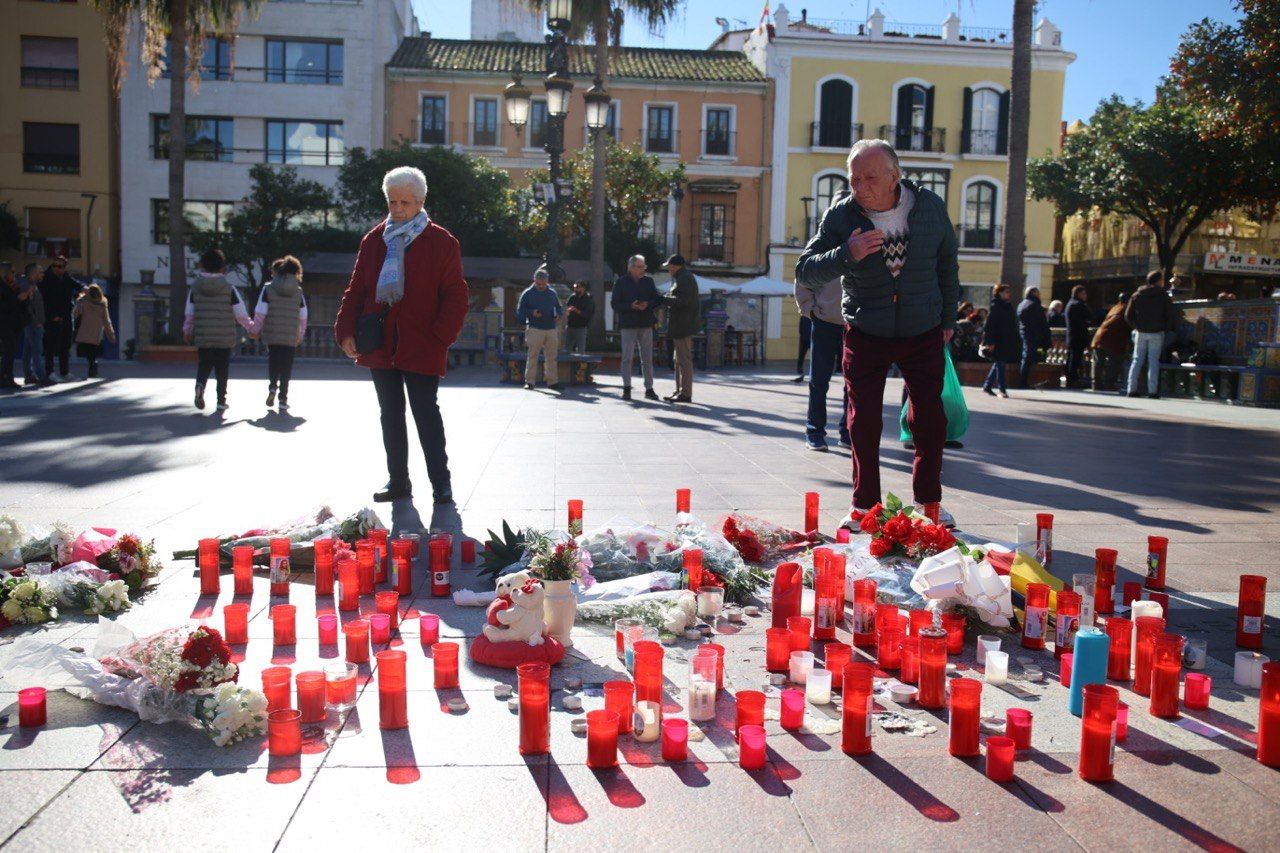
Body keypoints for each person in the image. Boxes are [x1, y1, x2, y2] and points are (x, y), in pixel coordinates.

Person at [796, 138, 960, 527]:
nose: (860, 187)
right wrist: (845, 254)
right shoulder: (841, 216)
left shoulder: (931, 209)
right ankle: (864, 506)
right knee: (862, 421)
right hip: (867, 329)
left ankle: (929, 504)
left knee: (930, 421)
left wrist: (948, 320)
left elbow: (947, 267)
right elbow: (805, 269)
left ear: (894, 176)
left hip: (923, 328)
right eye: (854, 179)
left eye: (870, 178)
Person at [335, 165, 469, 504]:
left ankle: (441, 483)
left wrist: (440, 336)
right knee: (389, 414)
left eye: (405, 203)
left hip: (423, 343)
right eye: (392, 202)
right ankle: (398, 481)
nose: (397, 210)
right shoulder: (373, 239)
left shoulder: (441, 241)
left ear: (421, 201)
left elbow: (456, 294)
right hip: (380, 342)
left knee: (426, 413)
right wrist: (345, 329)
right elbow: (357, 289)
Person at [183, 248, 254, 410]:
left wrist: (187, 331)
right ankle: (221, 401)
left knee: (204, 364)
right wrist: (250, 327)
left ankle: (200, 385)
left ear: (203, 266)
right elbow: (240, 313)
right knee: (222, 368)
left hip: (203, 334)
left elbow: (189, 313)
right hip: (224, 336)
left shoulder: (195, 288)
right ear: (222, 267)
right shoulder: (230, 289)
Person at [794, 273, 850, 451]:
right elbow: (802, 276)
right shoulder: (821, 245)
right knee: (818, 381)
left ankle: (848, 432)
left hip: (854, 325)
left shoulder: (862, 245)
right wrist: (810, 310)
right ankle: (814, 432)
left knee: (854, 384)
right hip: (824, 324)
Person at [252, 255, 308, 410]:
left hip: (272, 333)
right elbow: (303, 316)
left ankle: (272, 387)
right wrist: (300, 335)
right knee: (286, 366)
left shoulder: (268, 288)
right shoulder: (298, 291)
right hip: (290, 335)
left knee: (273, 362)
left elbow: (260, 312)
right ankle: (283, 399)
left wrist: (255, 329)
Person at [611, 254, 661, 401]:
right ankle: (627, 388)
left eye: (643, 267)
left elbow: (657, 299)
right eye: (639, 267)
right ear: (631, 267)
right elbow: (614, 304)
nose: (642, 269)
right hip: (628, 324)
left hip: (646, 324)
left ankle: (649, 388)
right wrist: (630, 306)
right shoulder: (620, 282)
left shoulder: (649, 281)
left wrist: (648, 304)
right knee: (627, 358)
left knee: (647, 358)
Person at [1124, 270, 1179, 399]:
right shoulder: (1162, 295)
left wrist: (1136, 326)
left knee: (1137, 360)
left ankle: (1131, 389)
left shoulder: (1137, 294)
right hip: (1156, 333)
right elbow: (1169, 314)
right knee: (1153, 361)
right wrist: (1165, 328)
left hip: (1140, 332)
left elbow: (1128, 315)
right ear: (1159, 280)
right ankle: (1152, 391)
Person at [516, 266, 562, 391]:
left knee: (552, 356)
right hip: (534, 328)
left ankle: (552, 382)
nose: (541, 286)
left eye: (543, 283)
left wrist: (559, 315)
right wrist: (531, 312)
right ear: (534, 280)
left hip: (551, 328)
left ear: (547, 281)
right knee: (533, 355)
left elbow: (559, 307)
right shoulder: (527, 293)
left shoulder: (552, 293)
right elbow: (520, 310)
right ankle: (529, 382)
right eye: (538, 283)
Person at [662, 254, 700, 403]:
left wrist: (663, 299)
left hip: (683, 325)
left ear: (676, 266)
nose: (668, 269)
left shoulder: (684, 279)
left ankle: (686, 393)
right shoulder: (682, 278)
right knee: (678, 360)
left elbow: (682, 301)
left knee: (683, 360)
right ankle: (680, 391)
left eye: (669, 266)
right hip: (680, 325)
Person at [39, 255, 79, 380]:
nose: (56, 268)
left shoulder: (66, 277)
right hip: (52, 317)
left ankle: (64, 372)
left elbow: (76, 284)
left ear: (64, 268)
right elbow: (44, 301)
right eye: (54, 265)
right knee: (50, 346)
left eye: (60, 266)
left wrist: (85, 288)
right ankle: (49, 372)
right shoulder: (46, 278)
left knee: (65, 345)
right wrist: (52, 316)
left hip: (66, 315)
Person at [980, 284, 1018, 397]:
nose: (1008, 294)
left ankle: (987, 386)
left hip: (1006, 339)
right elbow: (989, 326)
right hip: (998, 340)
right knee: (1000, 363)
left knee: (999, 363)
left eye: (1008, 292)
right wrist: (990, 342)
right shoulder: (995, 306)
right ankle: (1002, 389)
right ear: (999, 293)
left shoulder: (1008, 306)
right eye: (1006, 292)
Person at [71, 283, 115, 378]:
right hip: (97, 333)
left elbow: (74, 314)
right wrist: (110, 334)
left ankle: (93, 365)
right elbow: (107, 321)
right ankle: (93, 366)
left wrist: (79, 301)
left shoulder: (83, 302)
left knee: (88, 351)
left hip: (85, 332)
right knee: (93, 351)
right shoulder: (102, 305)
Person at [1090, 292, 1130, 392]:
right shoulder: (1126, 308)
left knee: (1099, 362)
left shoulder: (1115, 307)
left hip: (1099, 336)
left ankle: (1096, 383)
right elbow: (1128, 324)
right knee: (1115, 361)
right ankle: (1109, 383)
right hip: (1113, 339)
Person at [18, 264, 49, 387]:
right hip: (33, 324)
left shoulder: (33, 286)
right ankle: (41, 377)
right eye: (40, 272)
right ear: (34, 273)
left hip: (33, 323)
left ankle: (29, 375)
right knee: (37, 351)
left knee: (28, 351)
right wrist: (36, 321)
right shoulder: (27, 285)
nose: (42, 274)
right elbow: (25, 304)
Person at [1016, 285, 1051, 389]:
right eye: (1038, 293)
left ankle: (1023, 381)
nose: (1040, 295)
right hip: (1033, 335)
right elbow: (1042, 322)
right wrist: (1045, 336)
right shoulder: (1034, 304)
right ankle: (1023, 382)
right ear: (1034, 293)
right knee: (1028, 358)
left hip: (1024, 333)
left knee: (1026, 357)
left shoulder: (1022, 304)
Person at [1064, 285, 1091, 388]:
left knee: (1071, 358)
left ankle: (1070, 380)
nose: (1085, 296)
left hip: (1071, 336)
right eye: (1084, 293)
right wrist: (1087, 322)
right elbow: (1088, 318)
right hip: (1078, 336)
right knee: (1075, 359)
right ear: (1079, 294)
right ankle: (1073, 380)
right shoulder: (1078, 305)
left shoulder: (1070, 304)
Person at [0, 263, 22, 390]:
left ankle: (6, 376)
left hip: (13, 322)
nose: (14, 275)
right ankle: (5, 377)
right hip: (4, 322)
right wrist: (17, 298)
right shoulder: (3, 287)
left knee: (10, 350)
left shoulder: (13, 286)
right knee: (8, 349)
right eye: (12, 272)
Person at [563, 280, 594, 354]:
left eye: (578, 287)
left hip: (581, 327)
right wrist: (567, 311)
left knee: (580, 350)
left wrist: (576, 310)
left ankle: (579, 365)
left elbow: (587, 314)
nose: (576, 289)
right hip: (570, 326)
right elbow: (566, 307)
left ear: (584, 288)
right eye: (575, 287)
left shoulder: (588, 299)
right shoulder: (572, 297)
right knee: (566, 350)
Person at [792, 315, 812, 382]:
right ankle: (800, 368)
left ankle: (799, 368)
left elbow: (800, 328)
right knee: (804, 355)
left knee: (802, 355)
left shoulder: (803, 316)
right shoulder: (812, 316)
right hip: (809, 339)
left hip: (805, 338)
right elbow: (800, 328)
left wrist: (802, 335)